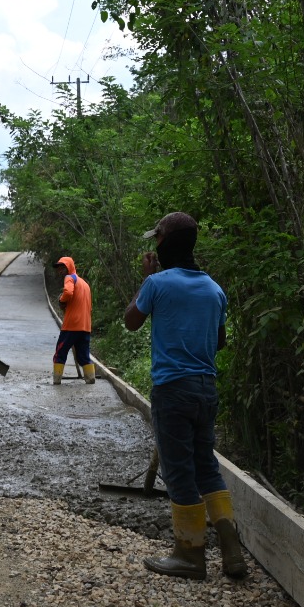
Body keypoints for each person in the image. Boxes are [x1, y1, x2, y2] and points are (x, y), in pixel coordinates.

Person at [123, 212, 245, 580]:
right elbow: (219, 340)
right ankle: (231, 550)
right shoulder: (214, 289)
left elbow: (131, 321)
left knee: (178, 471)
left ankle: (189, 555)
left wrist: (146, 280)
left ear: (164, 243)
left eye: (156, 239)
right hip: (206, 389)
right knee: (206, 465)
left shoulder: (157, 283)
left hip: (173, 389)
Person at [52, 256, 94, 385]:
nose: (60, 271)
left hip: (71, 325)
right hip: (85, 326)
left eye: (62, 267)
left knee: (60, 352)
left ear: (69, 267)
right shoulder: (84, 284)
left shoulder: (69, 278)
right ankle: (90, 378)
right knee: (84, 356)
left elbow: (68, 292)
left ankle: (57, 380)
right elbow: (89, 307)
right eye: (58, 268)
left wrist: (61, 300)